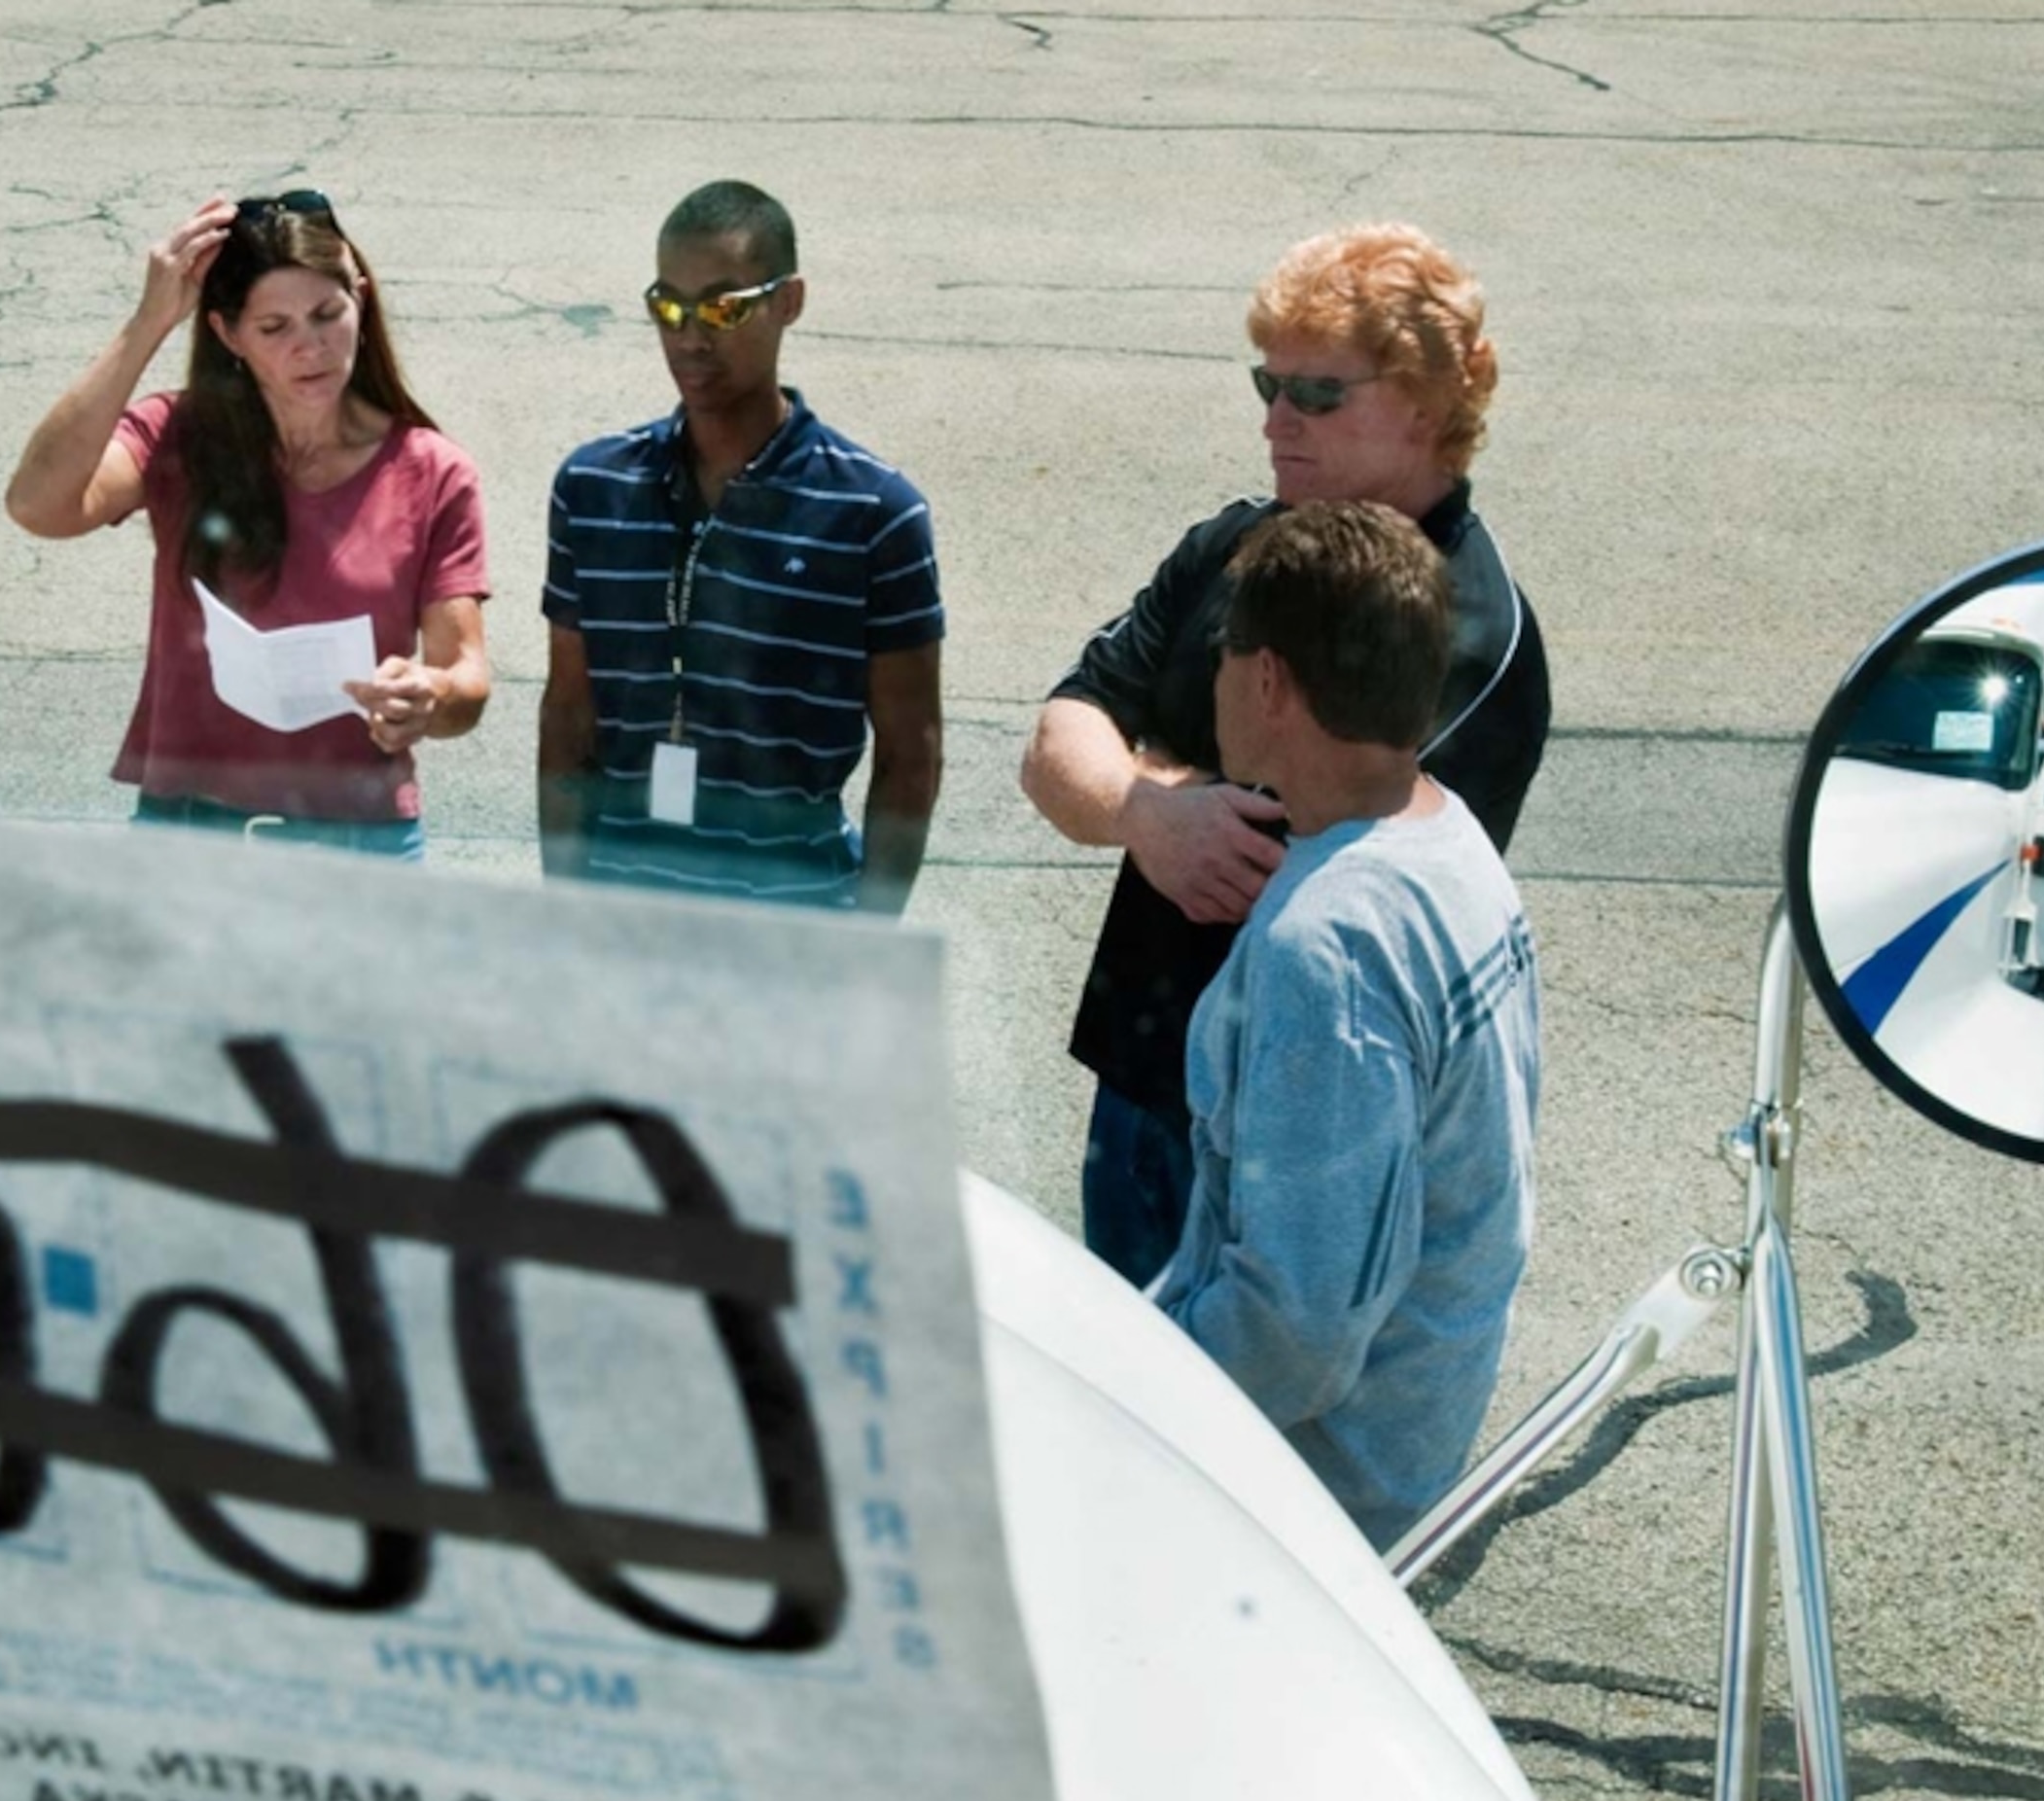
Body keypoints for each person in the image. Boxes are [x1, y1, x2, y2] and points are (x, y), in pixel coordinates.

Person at [1020, 222, 1549, 1286]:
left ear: (1430, 401)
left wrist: (1140, 780)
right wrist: (1146, 810)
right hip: (1142, 1080)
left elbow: (1283, 850)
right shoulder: (1237, 547)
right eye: (1267, 383)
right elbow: (1055, 738)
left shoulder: (1466, 631)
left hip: (1295, 1128)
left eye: (1317, 395)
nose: (1275, 422)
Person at [1150, 502, 1541, 1552]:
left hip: (1302, 1506)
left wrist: (1131, 1393)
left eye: (1225, 655)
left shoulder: (1324, 944)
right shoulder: (1446, 837)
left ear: (1268, 681)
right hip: (1410, 1434)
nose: (1212, 680)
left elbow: (1300, 1328)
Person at [5, 191, 490, 859]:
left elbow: (465, 676)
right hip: (186, 836)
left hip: (359, 843)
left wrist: (426, 696)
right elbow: (38, 505)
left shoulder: (431, 470)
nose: (310, 347)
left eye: (328, 314)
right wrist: (148, 323)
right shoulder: (177, 436)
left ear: (363, 301)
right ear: (229, 334)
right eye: (274, 328)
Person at [538, 181, 944, 911]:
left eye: (724, 308)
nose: (692, 336)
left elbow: (911, 755)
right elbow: (569, 718)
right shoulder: (593, 489)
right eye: (670, 306)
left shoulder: (874, 513)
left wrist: (868, 945)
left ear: (789, 302)